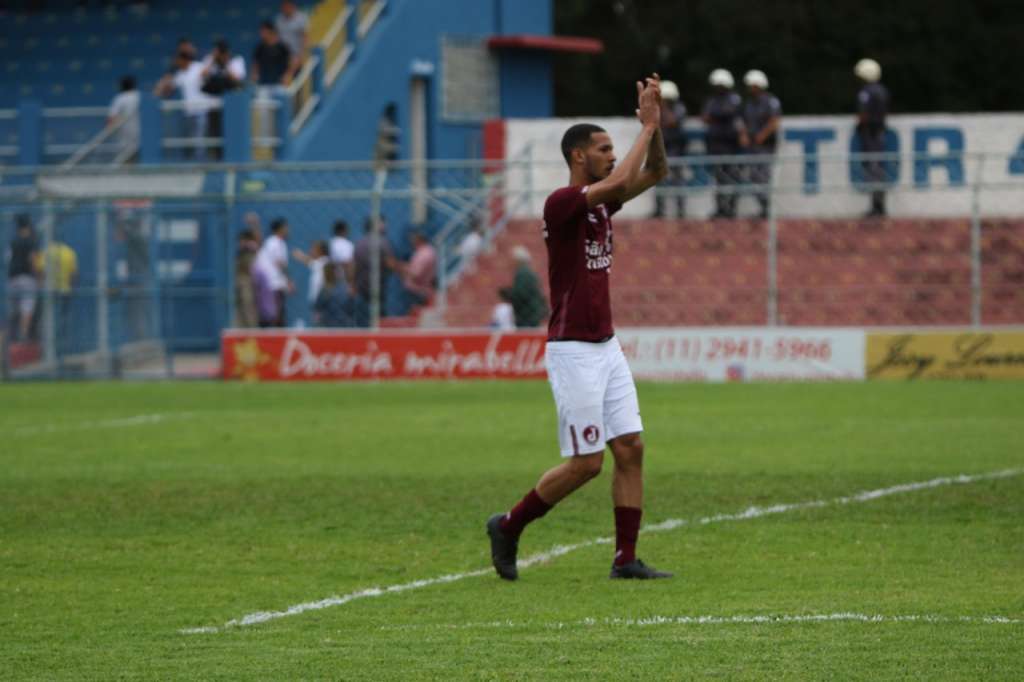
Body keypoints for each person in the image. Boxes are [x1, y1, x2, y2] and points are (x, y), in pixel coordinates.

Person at [486, 74, 672, 581]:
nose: (612, 155)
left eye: (614, 147)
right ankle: (508, 524)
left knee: (631, 448)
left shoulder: (602, 207)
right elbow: (614, 183)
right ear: (578, 158)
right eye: (603, 148)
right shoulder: (562, 204)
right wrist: (645, 125)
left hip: (606, 346)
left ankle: (625, 558)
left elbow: (655, 172)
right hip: (572, 351)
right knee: (587, 464)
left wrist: (655, 129)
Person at [702, 68, 747, 219]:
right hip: (715, 146)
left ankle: (732, 209)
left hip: (731, 146)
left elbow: (729, 112)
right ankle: (721, 209)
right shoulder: (712, 100)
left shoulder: (734, 98)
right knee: (719, 180)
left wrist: (717, 115)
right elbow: (706, 117)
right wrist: (718, 115)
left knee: (734, 178)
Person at [154, 49, 215, 160]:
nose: (177, 62)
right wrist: (164, 82)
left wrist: (208, 69)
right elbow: (169, 89)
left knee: (200, 139)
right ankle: (197, 160)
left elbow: (209, 75)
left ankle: (201, 162)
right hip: (189, 112)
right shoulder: (180, 74)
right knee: (192, 139)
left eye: (178, 60)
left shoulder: (198, 67)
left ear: (184, 59)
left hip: (202, 109)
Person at [741, 69, 782, 219]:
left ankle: (766, 209)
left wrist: (762, 136)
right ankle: (764, 206)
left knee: (763, 176)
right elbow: (744, 122)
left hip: (766, 146)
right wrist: (744, 135)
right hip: (752, 146)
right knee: (753, 177)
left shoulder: (770, 101)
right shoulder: (749, 104)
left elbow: (774, 121)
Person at [854, 58, 890, 218]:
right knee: (878, 168)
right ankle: (879, 204)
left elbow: (863, 113)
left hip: (870, 133)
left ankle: (877, 206)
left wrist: (859, 125)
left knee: (873, 168)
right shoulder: (882, 90)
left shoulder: (866, 92)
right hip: (879, 132)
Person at [201, 40, 246, 161]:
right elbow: (202, 75)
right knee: (215, 133)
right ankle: (216, 157)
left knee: (232, 133)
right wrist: (213, 60)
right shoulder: (210, 61)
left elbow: (238, 80)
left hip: (232, 106)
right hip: (214, 105)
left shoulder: (236, 60)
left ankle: (234, 157)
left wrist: (226, 64)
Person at [34, 235, 78, 353]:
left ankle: (48, 347)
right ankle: (63, 346)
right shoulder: (69, 252)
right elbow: (73, 274)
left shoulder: (46, 252)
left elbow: (40, 271)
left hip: (49, 291)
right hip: (65, 290)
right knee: (63, 319)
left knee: (48, 319)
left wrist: (41, 285)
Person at [652, 79, 687, 218]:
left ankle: (680, 211)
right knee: (658, 180)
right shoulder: (657, 108)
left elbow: (672, 122)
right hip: (661, 147)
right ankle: (659, 210)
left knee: (677, 181)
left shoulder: (679, 108)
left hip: (676, 149)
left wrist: (664, 107)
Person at [352, 217, 397, 326]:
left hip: (362, 287)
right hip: (379, 287)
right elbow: (391, 264)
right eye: (382, 223)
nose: (385, 226)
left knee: (362, 319)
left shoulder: (359, 243)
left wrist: (352, 284)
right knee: (379, 318)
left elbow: (353, 266)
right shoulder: (383, 242)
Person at [6, 214, 39, 342]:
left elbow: (8, 259)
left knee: (13, 310)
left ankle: (11, 337)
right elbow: (33, 260)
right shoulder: (31, 240)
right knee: (27, 308)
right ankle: (23, 336)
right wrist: (38, 276)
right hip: (27, 278)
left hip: (12, 277)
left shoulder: (13, 241)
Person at [255, 217, 293, 327]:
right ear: (280, 229)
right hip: (273, 284)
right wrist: (289, 281)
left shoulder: (272, 242)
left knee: (271, 314)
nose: (288, 230)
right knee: (276, 315)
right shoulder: (276, 242)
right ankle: (275, 340)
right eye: (286, 227)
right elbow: (280, 263)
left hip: (270, 284)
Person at [507, 245, 547, 328]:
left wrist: (508, 294)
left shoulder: (522, 273)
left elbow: (521, 294)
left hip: (527, 316)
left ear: (518, 260)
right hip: (532, 314)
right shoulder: (529, 272)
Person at [397, 231, 436, 308]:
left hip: (416, 291)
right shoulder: (426, 251)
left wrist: (401, 268)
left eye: (413, 240)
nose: (411, 242)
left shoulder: (424, 254)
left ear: (419, 240)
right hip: (419, 290)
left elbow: (416, 274)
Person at [107, 75, 140, 162]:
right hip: (141, 134)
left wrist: (110, 129)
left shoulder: (120, 98)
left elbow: (111, 117)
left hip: (125, 136)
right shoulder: (140, 96)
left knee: (126, 160)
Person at [313, 260, 354, 328]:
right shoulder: (345, 288)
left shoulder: (325, 290)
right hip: (344, 323)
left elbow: (317, 308)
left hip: (330, 324)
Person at [234, 228, 260, 327]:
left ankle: (252, 329)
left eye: (242, 240)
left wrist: (254, 224)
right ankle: (241, 329)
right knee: (240, 308)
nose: (240, 242)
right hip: (239, 282)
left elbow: (258, 242)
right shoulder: (240, 252)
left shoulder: (251, 250)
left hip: (248, 282)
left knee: (248, 306)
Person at [292, 239, 329, 308]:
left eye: (313, 249)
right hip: (318, 302)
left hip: (323, 303)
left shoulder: (324, 262)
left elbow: (308, 261)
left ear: (320, 251)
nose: (310, 251)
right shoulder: (321, 263)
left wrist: (299, 255)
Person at [275, 0, 308, 70]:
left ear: (292, 6)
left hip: (296, 52)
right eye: (283, 7)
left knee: (296, 72)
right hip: (283, 53)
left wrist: (301, 55)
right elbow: (277, 37)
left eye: (287, 7)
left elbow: (304, 37)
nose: (285, 9)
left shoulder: (301, 18)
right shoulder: (279, 19)